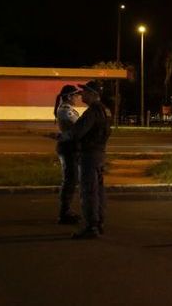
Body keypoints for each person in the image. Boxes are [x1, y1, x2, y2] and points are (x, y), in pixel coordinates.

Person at [60, 80, 112, 239]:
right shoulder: (105, 110)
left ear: (93, 94)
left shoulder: (92, 112)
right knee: (98, 191)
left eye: (85, 91)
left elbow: (77, 132)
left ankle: (91, 227)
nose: (82, 94)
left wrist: (60, 137)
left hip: (89, 155)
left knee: (88, 191)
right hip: (99, 153)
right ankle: (99, 222)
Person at [53, 85, 82, 225]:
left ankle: (66, 210)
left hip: (69, 146)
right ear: (69, 97)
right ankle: (64, 212)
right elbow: (78, 127)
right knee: (70, 180)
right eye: (76, 95)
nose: (78, 98)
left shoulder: (66, 109)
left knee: (71, 179)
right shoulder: (66, 111)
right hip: (68, 147)